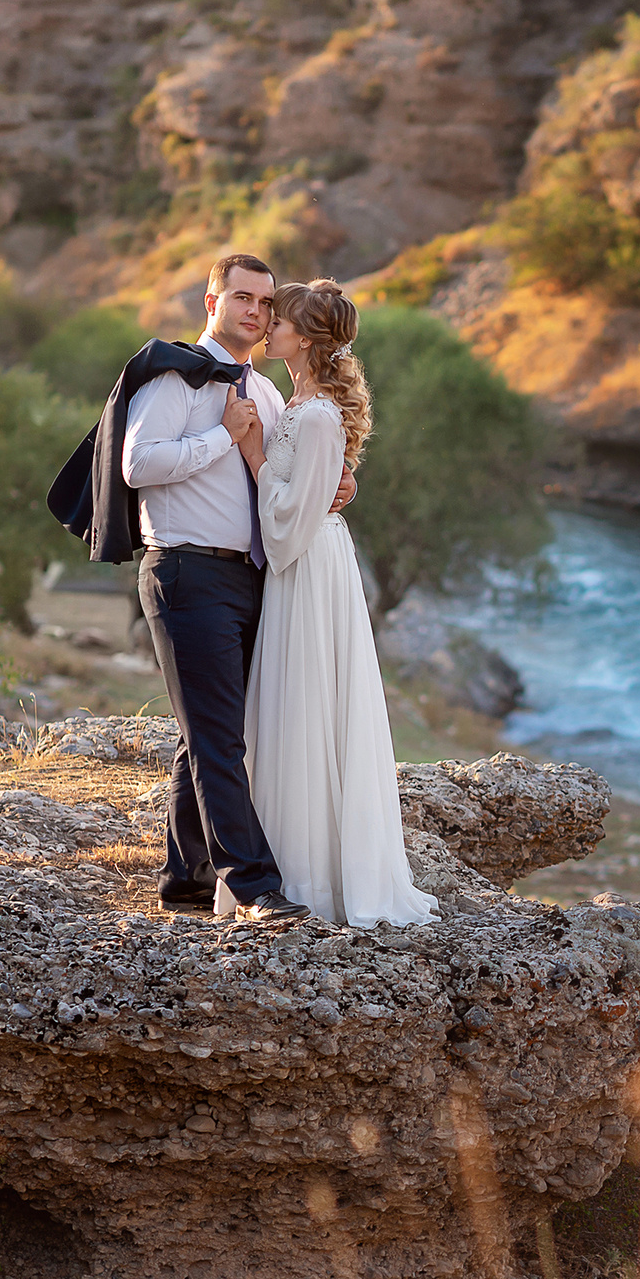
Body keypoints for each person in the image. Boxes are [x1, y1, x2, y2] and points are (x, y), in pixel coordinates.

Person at [237, 279, 440, 928]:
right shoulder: (300, 402)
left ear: (307, 336)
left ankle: (315, 879)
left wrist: (250, 451)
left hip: (309, 563)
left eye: (280, 317)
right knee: (297, 706)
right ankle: (290, 862)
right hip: (305, 560)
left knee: (309, 704)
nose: (268, 324)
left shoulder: (319, 413)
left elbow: (293, 517)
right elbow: (314, 484)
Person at [116, 253, 310, 926]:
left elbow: (284, 480)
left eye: (264, 301)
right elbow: (137, 464)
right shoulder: (175, 376)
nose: (254, 311)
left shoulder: (271, 394)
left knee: (203, 735)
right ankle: (254, 885)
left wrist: (336, 487)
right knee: (220, 741)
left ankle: (187, 883)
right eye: (241, 297)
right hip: (185, 572)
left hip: (250, 577)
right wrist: (217, 439)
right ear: (212, 302)